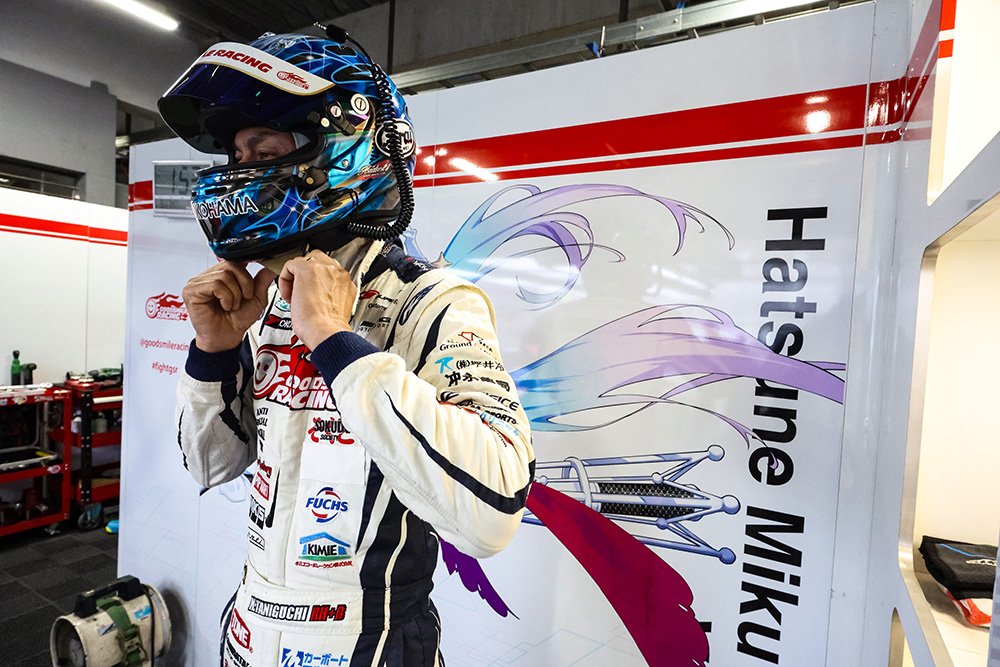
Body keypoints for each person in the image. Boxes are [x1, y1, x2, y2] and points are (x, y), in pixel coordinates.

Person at [158, 29, 534, 667]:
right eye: (237, 154)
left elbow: (493, 511)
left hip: (369, 641)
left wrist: (336, 341)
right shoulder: (271, 300)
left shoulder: (433, 300)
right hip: (249, 626)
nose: (241, 171)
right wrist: (214, 352)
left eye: (264, 150)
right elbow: (209, 467)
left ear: (343, 151)